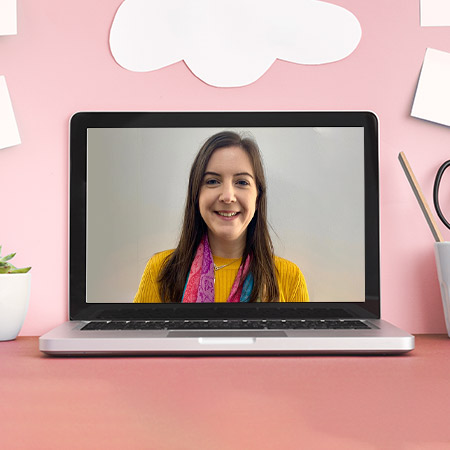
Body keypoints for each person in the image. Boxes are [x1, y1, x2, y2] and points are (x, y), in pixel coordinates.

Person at [134, 131, 309, 303]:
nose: (227, 196)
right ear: (196, 195)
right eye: (212, 181)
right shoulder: (160, 272)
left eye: (241, 182)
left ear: (258, 197)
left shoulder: (290, 278)